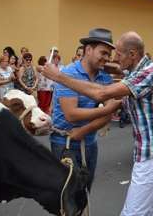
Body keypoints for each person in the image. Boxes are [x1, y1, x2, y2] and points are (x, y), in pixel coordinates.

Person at [39, 31, 153, 216]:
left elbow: (101, 94)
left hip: (152, 155)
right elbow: (78, 111)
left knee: (131, 213)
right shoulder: (137, 70)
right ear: (88, 50)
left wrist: (58, 76)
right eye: (105, 53)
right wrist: (102, 68)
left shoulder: (144, 75)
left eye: (117, 54)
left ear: (133, 54)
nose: (113, 59)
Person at [49, 28, 121, 192]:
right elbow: (71, 115)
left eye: (108, 54)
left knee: (85, 192)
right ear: (88, 50)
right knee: (66, 196)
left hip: (90, 143)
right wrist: (107, 109)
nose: (106, 58)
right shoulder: (68, 73)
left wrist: (85, 129)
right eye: (103, 53)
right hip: (64, 143)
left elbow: (109, 115)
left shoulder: (105, 78)